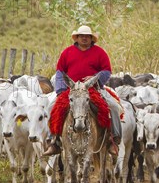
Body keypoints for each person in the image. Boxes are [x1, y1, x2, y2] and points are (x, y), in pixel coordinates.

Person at [43, 25, 122, 156]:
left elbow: (107, 71)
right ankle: (54, 141)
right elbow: (60, 72)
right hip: (71, 89)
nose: (84, 38)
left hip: (93, 89)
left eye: (87, 36)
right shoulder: (67, 52)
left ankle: (113, 140)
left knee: (113, 107)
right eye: (82, 36)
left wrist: (96, 78)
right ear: (77, 38)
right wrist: (61, 90)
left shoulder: (100, 52)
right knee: (52, 107)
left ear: (91, 38)